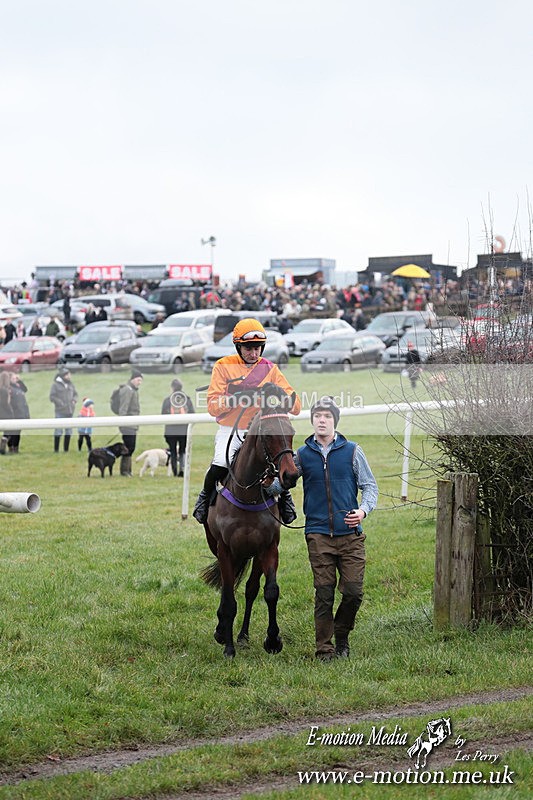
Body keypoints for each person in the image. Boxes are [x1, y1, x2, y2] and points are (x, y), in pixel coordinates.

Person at [193, 317, 301, 523]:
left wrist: (280, 394)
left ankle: (285, 497)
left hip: (262, 431)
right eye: (248, 349)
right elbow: (212, 406)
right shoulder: (223, 366)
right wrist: (238, 398)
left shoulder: (270, 369)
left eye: (257, 348)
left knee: (281, 461)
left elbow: (296, 407)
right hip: (231, 429)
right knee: (221, 462)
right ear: (238, 347)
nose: (253, 353)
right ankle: (205, 497)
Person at [296, 396, 378, 660]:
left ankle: (341, 634)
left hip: (351, 536)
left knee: (353, 592)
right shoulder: (302, 455)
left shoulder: (352, 450)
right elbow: (281, 483)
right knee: (324, 593)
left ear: (335, 421)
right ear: (312, 420)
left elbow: (370, 486)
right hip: (318, 534)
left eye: (327, 416)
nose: (322, 420)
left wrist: (362, 510)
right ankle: (324, 648)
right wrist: (265, 483)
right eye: (317, 416)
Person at [161, 378, 194, 477]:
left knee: (173, 450)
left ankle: (174, 470)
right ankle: (182, 469)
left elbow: (163, 415)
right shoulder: (187, 400)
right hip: (184, 429)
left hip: (171, 430)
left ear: (172, 387)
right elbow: (192, 413)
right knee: (183, 450)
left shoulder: (167, 400)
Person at [117, 369, 143, 476]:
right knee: (128, 447)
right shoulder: (127, 390)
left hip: (132, 423)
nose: (139, 383)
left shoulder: (133, 390)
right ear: (132, 379)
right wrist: (122, 423)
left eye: (141, 381)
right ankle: (125, 471)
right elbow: (123, 408)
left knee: (130, 447)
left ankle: (128, 470)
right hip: (128, 424)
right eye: (138, 380)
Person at [49, 367, 78, 452]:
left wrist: (74, 400)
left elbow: (75, 394)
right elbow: (52, 397)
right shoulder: (55, 385)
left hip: (70, 411)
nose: (69, 376)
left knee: (69, 431)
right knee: (58, 431)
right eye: (67, 375)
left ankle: (66, 450)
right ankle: (56, 450)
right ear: (63, 376)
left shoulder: (71, 384)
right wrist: (59, 402)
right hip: (60, 411)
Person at [6, 373, 30, 453]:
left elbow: (25, 389)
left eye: (15, 378)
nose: (15, 380)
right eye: (13, 378)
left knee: (17, 432)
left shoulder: (18, 386)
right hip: (14, 413)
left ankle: (16, 448)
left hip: (21, 412)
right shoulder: (9, 388)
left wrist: (19, 381)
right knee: (12, 432)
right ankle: (11, 447)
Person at [0, 372, 14, 455]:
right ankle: (3, 444)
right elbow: (5, 403)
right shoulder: (4, 391)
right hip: (4, 414)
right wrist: (11, 412)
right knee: (8, 431)